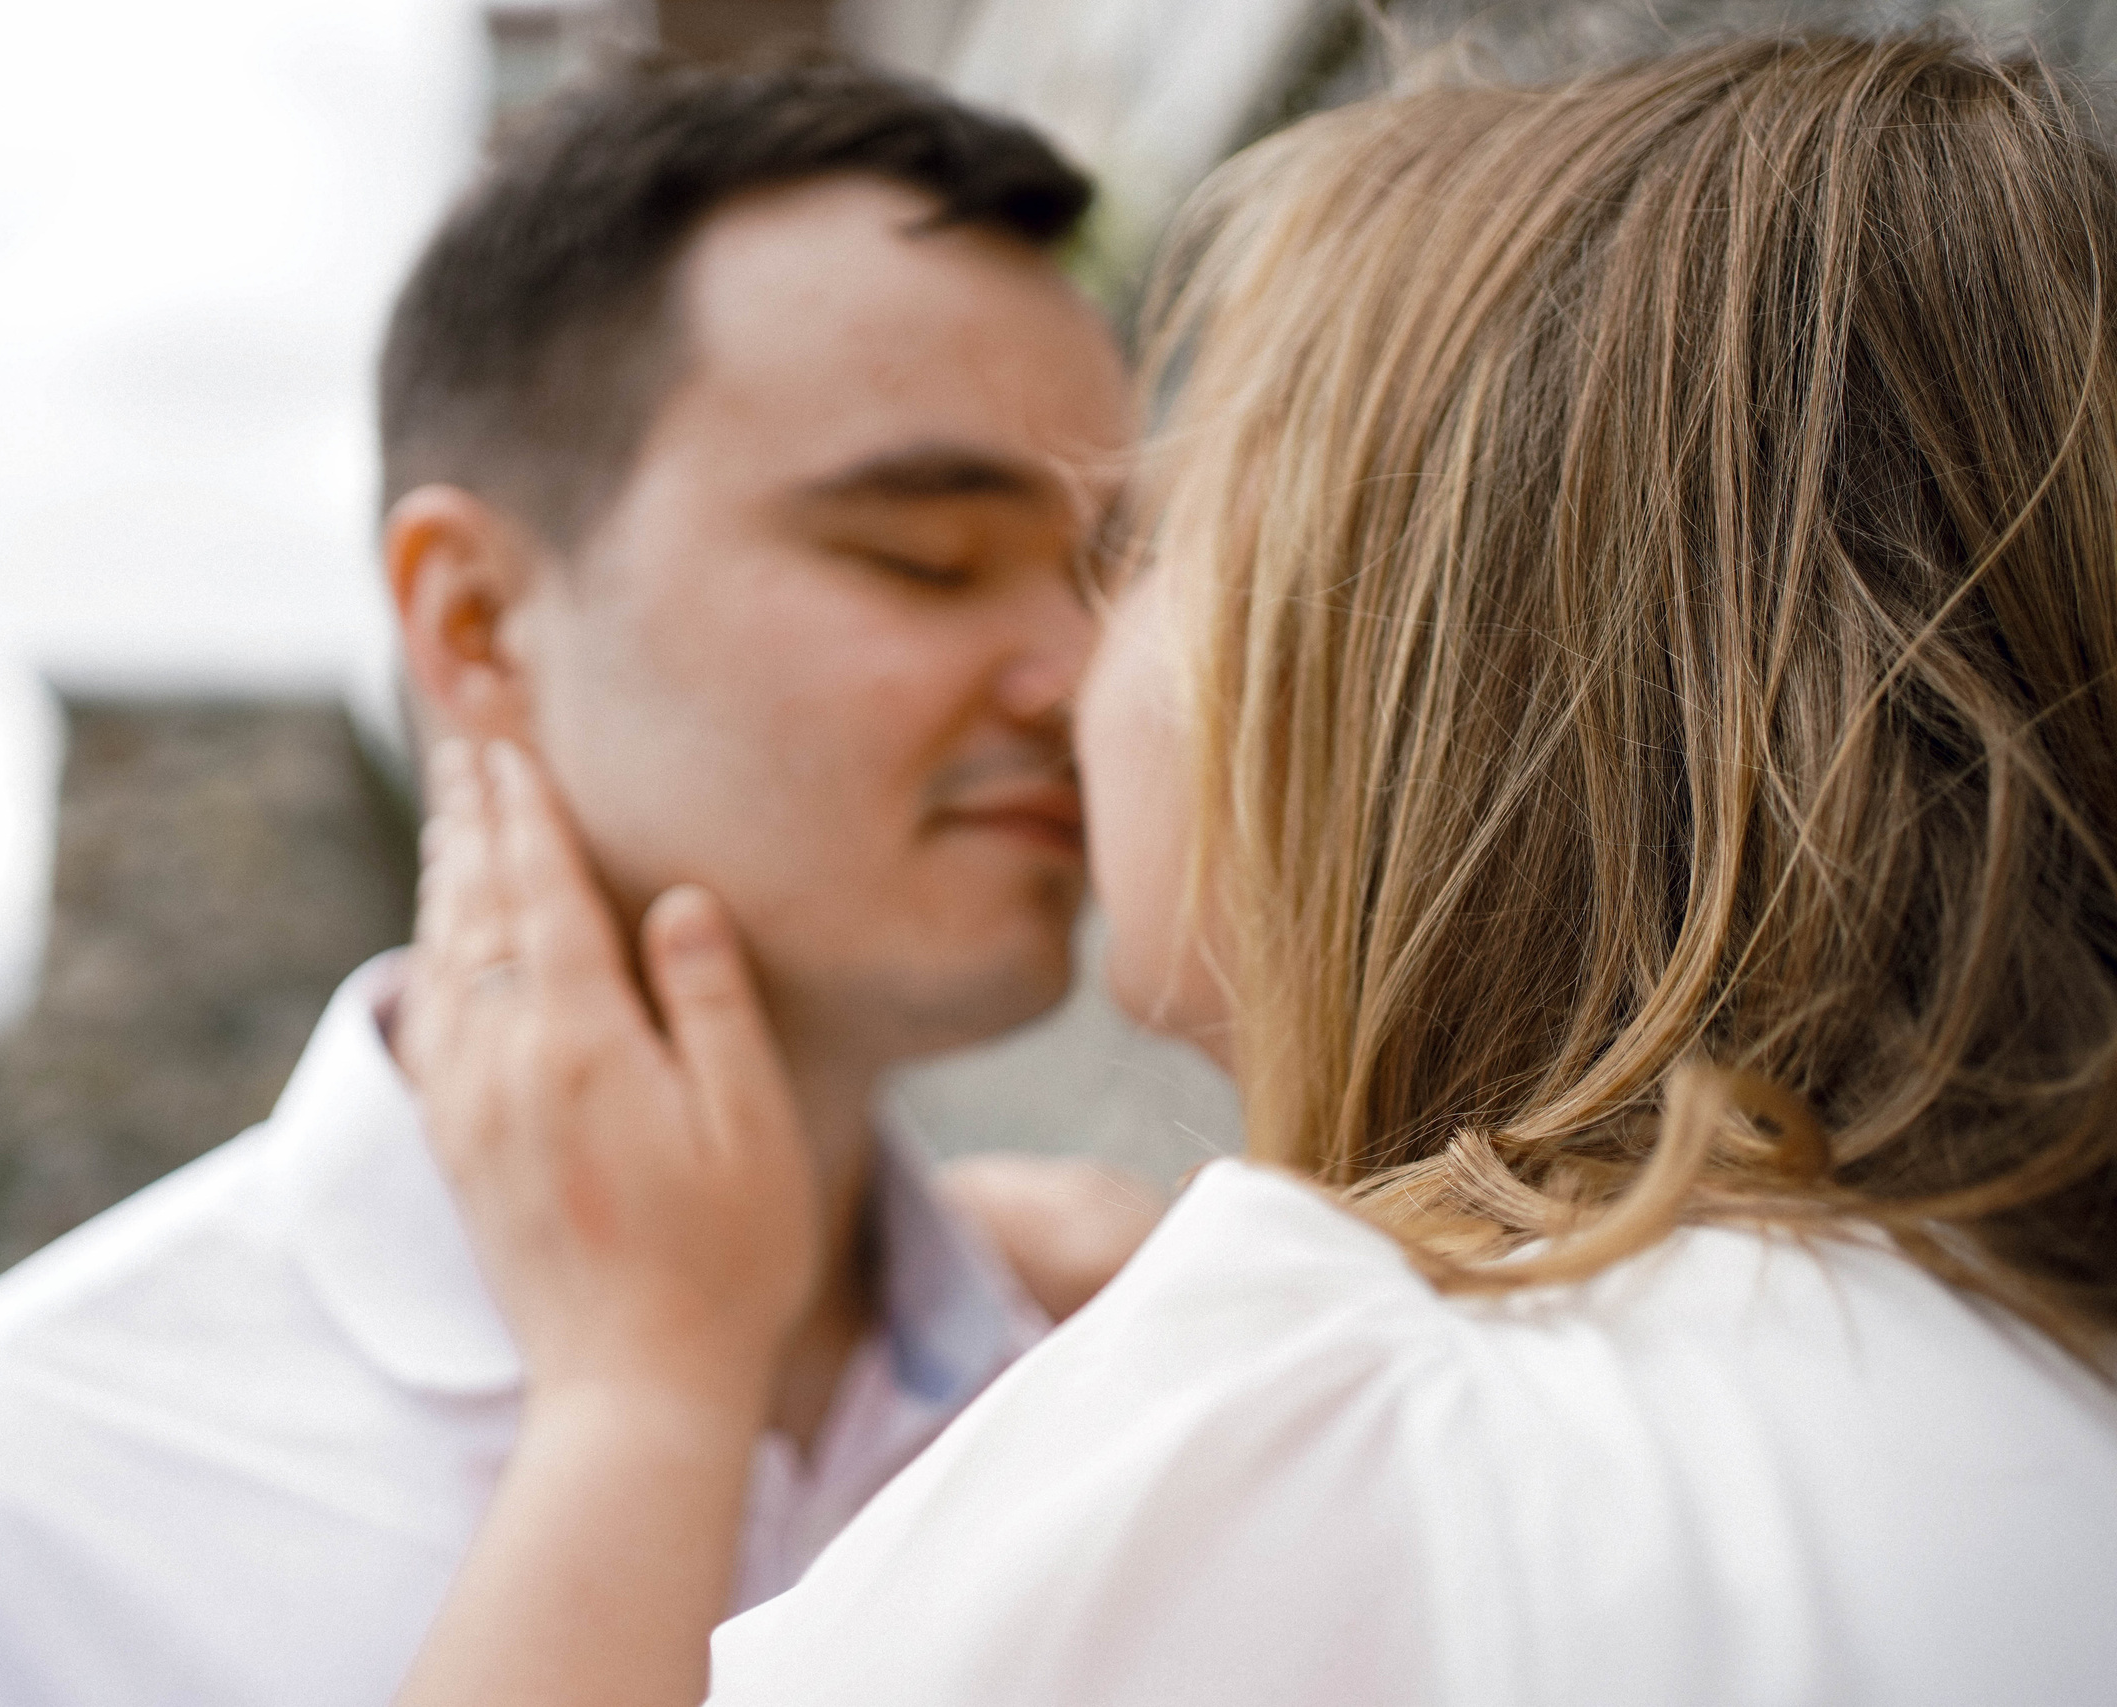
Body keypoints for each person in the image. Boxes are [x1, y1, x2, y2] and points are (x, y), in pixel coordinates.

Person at [389, 31, 2117, 1707]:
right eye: (919, 559)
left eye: (1140, 545)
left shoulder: (1324, 1427)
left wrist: (642, 1403)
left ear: (1419, 676)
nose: (1071, 667)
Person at [0, 57, 1160, 1706]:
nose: (1084, 673)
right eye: (924, 556)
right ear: (473, 623)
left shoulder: (1152, 1395)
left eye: (1114, 575)